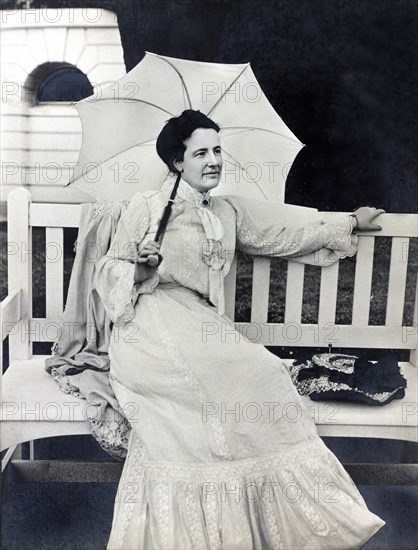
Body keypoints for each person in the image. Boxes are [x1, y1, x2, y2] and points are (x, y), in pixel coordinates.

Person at [93, 109, 386, 549]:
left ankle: (276, 526)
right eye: (200, 153)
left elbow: (285, 234)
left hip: (199, 324)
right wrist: (137, 269)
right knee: (241, 373)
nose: (213, 161)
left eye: (217, 150)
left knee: (262, 372)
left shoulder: (227, 213)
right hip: (150, 325)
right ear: (177, 162)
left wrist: (348, 222)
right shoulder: (147, 209)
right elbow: (107, 272)